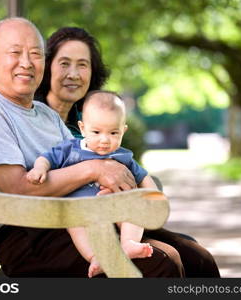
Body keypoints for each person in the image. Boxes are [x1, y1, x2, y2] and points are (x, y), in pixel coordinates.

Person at [0, 17, 184, 277]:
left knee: (196, 257)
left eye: (35, 54)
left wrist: (109, 188)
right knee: (162, 262)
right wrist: (95, 171)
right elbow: (18, 189)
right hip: (31, 238)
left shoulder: (44, 113)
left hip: (75, 217)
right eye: (15, 53)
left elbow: (82, 155)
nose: (27, 63)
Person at [35, 26, 220, 277]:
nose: (74, 74)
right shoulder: (36, 117)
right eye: (64, 63)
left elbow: (127, 166)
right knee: (168, 258)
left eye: (83, 65)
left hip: (117, 216)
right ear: (47, 67)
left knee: (199, 258)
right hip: (73, 223)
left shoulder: (96, 112)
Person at [28, 91, 158, 277]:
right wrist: (39, 169)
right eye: (96, 132)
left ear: (123, 131)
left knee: (135, 207)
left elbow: (143, 177)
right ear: (82, 128)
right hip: (81, 210)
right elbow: (46, 158)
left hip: (115, 207)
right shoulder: (70, 149)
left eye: (114, 133)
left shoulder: (122, 156)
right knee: (75, 225)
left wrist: (153, 197)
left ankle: (128, 243)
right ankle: (94, 257)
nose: (104, 140)